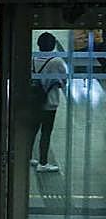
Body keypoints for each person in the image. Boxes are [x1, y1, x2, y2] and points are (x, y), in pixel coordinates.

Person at [30, 31, 68, 173]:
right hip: (49, 103)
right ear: (53, 45)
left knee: (32, 130)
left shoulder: (33, 58)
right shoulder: (57, 61)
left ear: (39, 44)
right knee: (46, 132)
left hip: (34, 101)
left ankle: (28, 156)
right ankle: (43, 162)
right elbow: (63, 80)